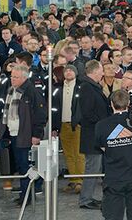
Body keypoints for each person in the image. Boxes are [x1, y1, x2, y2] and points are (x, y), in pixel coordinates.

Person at [95, 90, 132, 220]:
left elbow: (104, 148)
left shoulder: (101, 126)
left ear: (111, 104)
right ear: (129, 103)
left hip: (113, 179)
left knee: (112, 216)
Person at [0, 64, 46, 206]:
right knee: (20, 165)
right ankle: (24, 193)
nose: (12, 79)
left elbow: (40, 114)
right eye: (12, 76)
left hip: (26, 135)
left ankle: (27, 196)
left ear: (24, 78)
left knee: (26, 166)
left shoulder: (32, 92)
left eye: (16, 77)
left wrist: (36, 134)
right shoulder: (11, 90)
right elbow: (6, 113)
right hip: (13, 133)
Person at [78, 60, 112, 210]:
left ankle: (88, 197)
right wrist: (102, 123)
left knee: (94, 167)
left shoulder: (92, 86)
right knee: (92, 168)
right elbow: (87, 112)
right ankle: (85, 199)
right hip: (92, 135)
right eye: (101, 71)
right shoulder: (87, 87)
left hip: (96, 134)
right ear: (95, 71)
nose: (103, 73)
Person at [52, 65, 84, 194]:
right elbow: (54, 109)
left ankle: (80, 181)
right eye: (66, 70)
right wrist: (54, 127)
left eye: (71, 70)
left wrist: (80, 121)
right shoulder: (58, 88)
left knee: (79, 154)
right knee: (68, 154)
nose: (69, 72)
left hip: (77, 125)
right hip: (63, 125)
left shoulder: (81, 87)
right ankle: (73, 179)